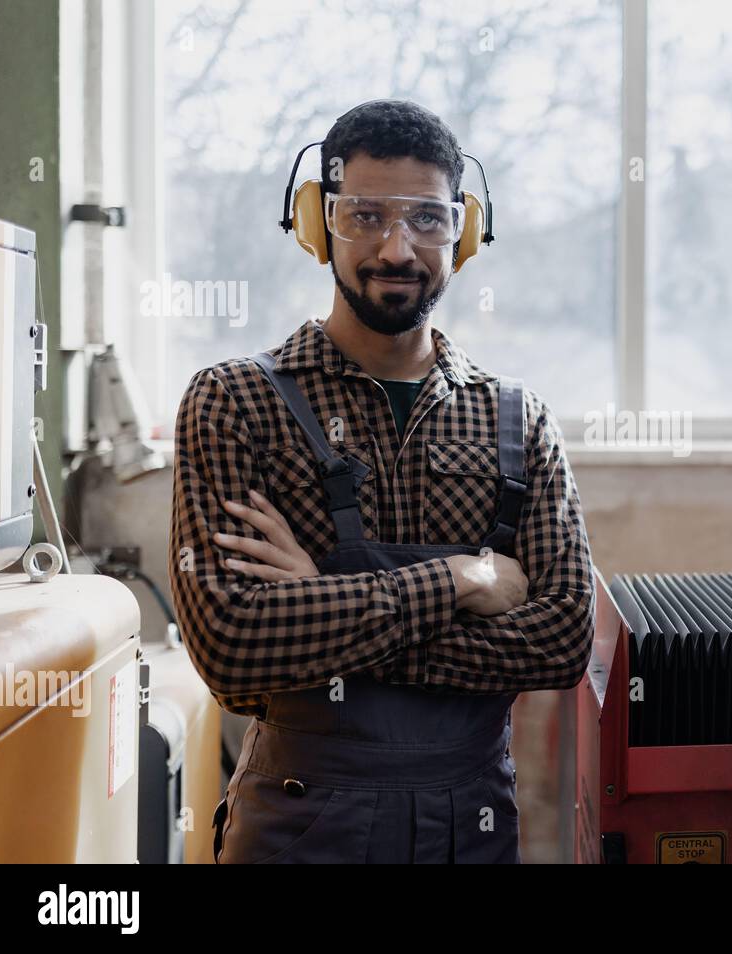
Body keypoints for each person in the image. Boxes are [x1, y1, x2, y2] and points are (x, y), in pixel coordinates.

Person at [168, 99, 595, 863]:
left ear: (461, 231)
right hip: (297, 830)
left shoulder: (518, 419)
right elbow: (231, 646)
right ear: (315, 222)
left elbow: (563, 640)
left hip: (473, 830)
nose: (396, 248)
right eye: (364, 214)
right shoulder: (233, 402)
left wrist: (319, 611)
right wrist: (462, 580)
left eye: (427, 218)